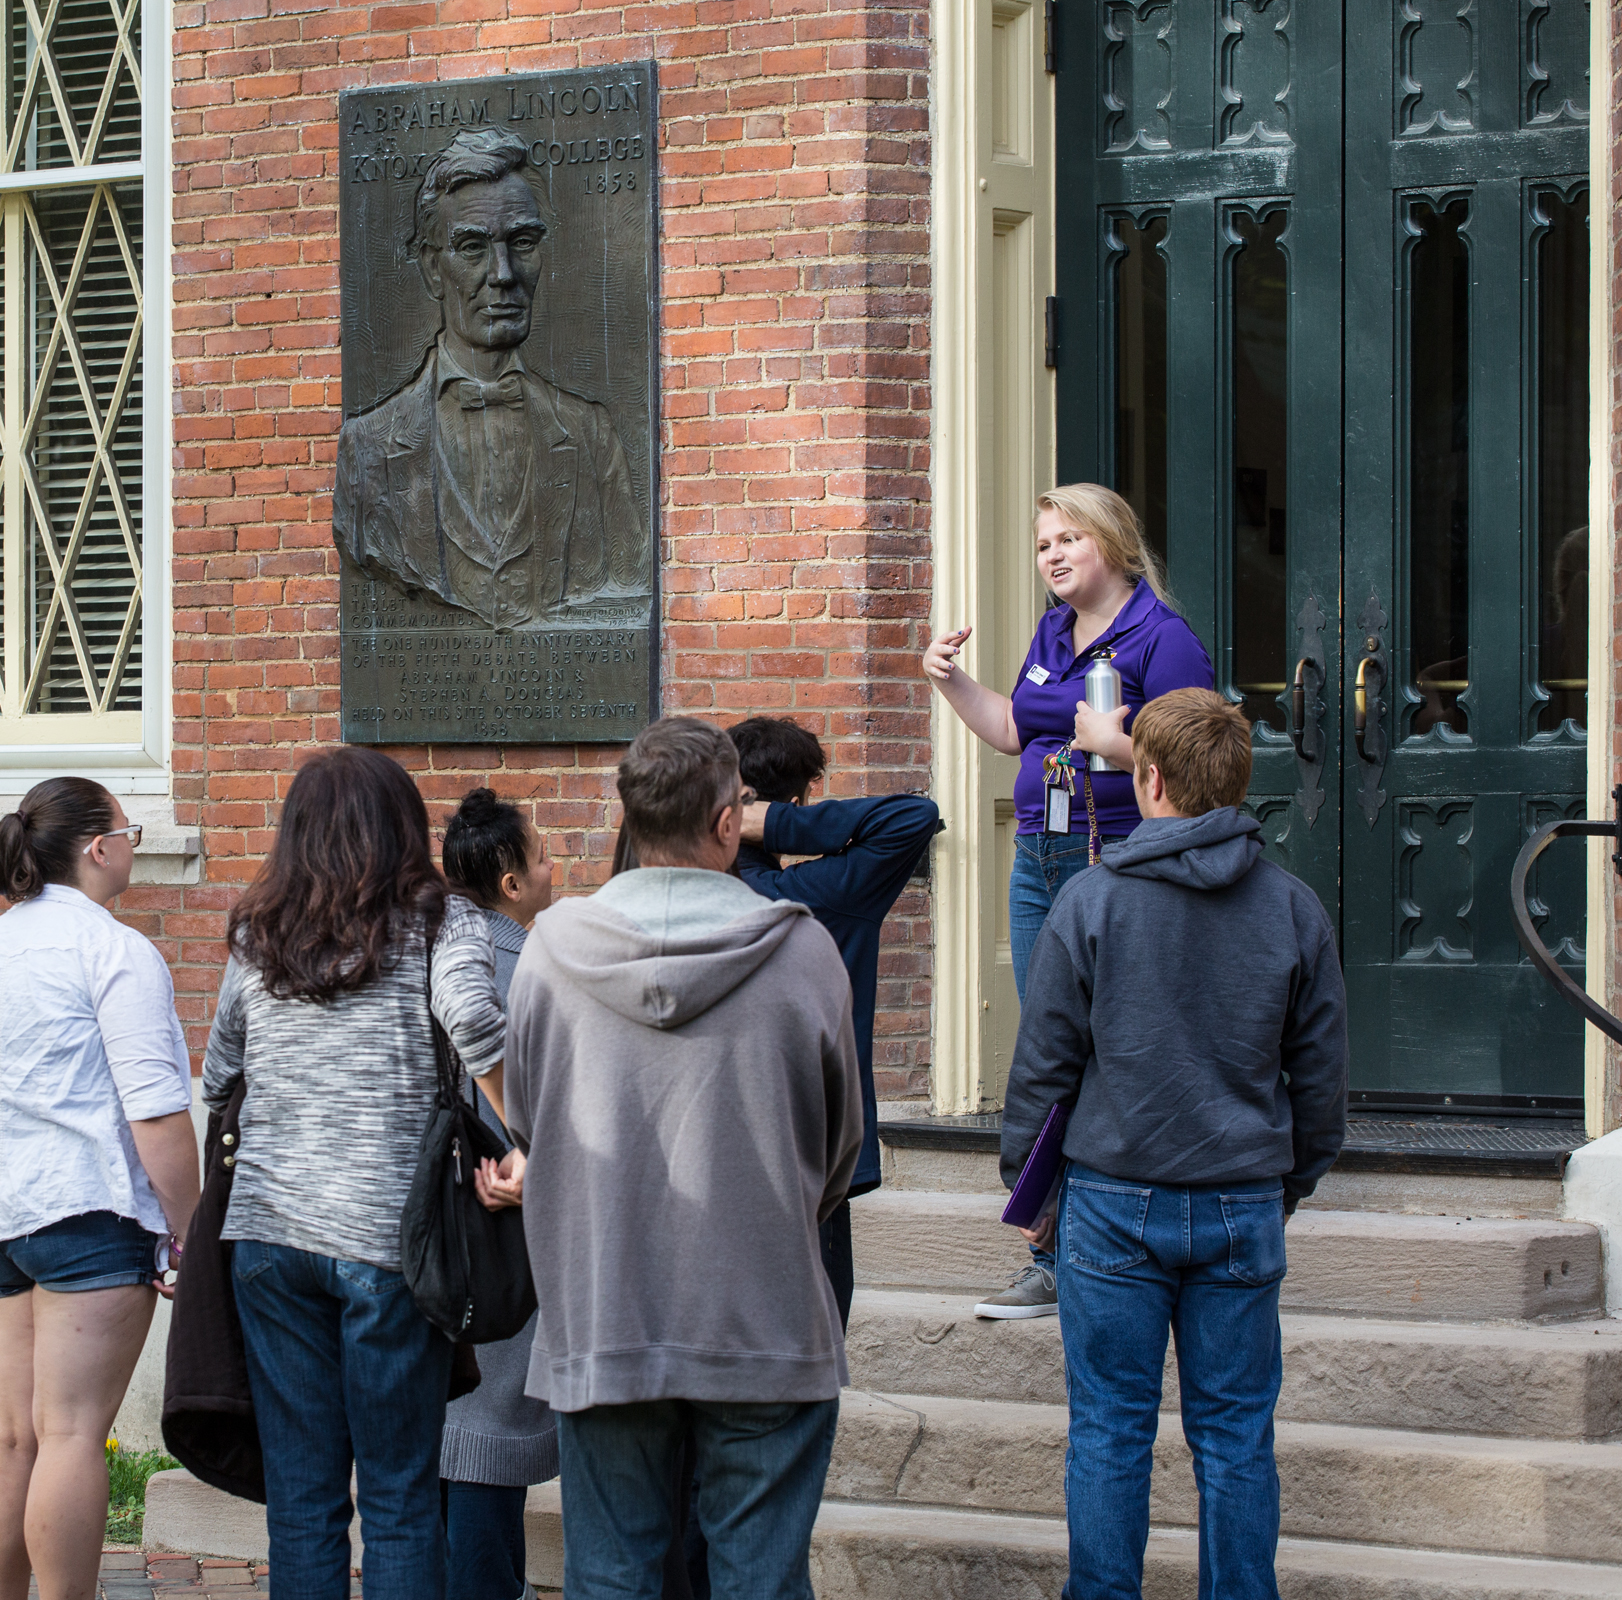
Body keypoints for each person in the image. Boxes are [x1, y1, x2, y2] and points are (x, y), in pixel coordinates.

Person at [504, 717, 864, 1600]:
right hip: (763, 1314)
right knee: (762, 1582)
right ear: (727, 822)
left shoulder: (551, 950)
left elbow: (529, 1119)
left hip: (606, 1307)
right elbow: (840, 1145)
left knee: (611, 1577)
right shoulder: (803, 949)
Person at [999, 688, 1347, 1600]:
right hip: (1240, 1195)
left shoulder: (1089, 901)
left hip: (1113, 1198)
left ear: (1146, 777)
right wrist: (1290, 1182)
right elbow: (1319, 1080)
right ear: (1235, 784)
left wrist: (1029, 1199)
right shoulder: (1293, 908)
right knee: (1235, 1435)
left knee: (1110, 1429)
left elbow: (1043, 1069)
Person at [202, 747, 507, 1600]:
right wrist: (532, 1140)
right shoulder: (443, 922)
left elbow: (219, 1074)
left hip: (268, 1237)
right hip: (389, 1244)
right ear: (403, 826)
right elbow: (478, 1028)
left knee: (302, 1500)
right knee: (402, 1497)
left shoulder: (257, 932)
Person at [921, 483, 1213, 1319]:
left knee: (1107, 1051)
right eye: (1043, 542)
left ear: (1114, 546)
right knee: (1048, 1049)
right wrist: (953, 684)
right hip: (1040, 858)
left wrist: (1116, 746)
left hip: (1121, 861)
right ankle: (1050, 1250)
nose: (1051, 555)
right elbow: (1016, 727)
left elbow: (1194, 773)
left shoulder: (1165, 640)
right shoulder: (1053, 632)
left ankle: (1097, 1245)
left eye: (1068, 540)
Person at [0, 778, 201, 1600]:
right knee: (74, 1435)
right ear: (98, 848)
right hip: (89, 1207)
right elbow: (155, 1112)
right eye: (131, 829)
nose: (134, 843)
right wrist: (188, 1230)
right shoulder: (116, 950)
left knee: (8, 1432)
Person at [333, 127, 649, 629]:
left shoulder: (590, 437)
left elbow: (629, 598)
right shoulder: (367, 450)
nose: (503, 273)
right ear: (433, 269)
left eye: (522, 242)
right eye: (473, 247)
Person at [728, 715, 943, 1325]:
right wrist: (775, 819)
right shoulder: (829, 893)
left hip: (716, 1145)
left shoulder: (681, 889)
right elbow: (912, 817)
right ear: (797, 801)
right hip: (812, 1147)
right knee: (814, 1333)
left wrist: (753, 817)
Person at [436, 788, 557, 1600]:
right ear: (510, 881)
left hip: (418, 1230)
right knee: (488, 1438)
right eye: (543, 854)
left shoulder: (414, 952)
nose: (555, 867)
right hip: (497, 1225)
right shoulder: (532, 972)